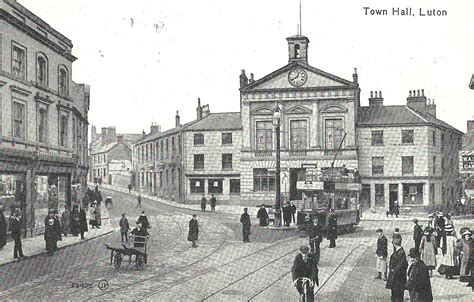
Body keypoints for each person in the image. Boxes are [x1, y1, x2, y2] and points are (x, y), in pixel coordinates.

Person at [385, 234, 408, 302]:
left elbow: (400, 266)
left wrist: (393, 270)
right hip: (396, 279)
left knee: (397, 297)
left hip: (398, 279)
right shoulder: (399, 252)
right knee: (395, 295)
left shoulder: (400, 253)